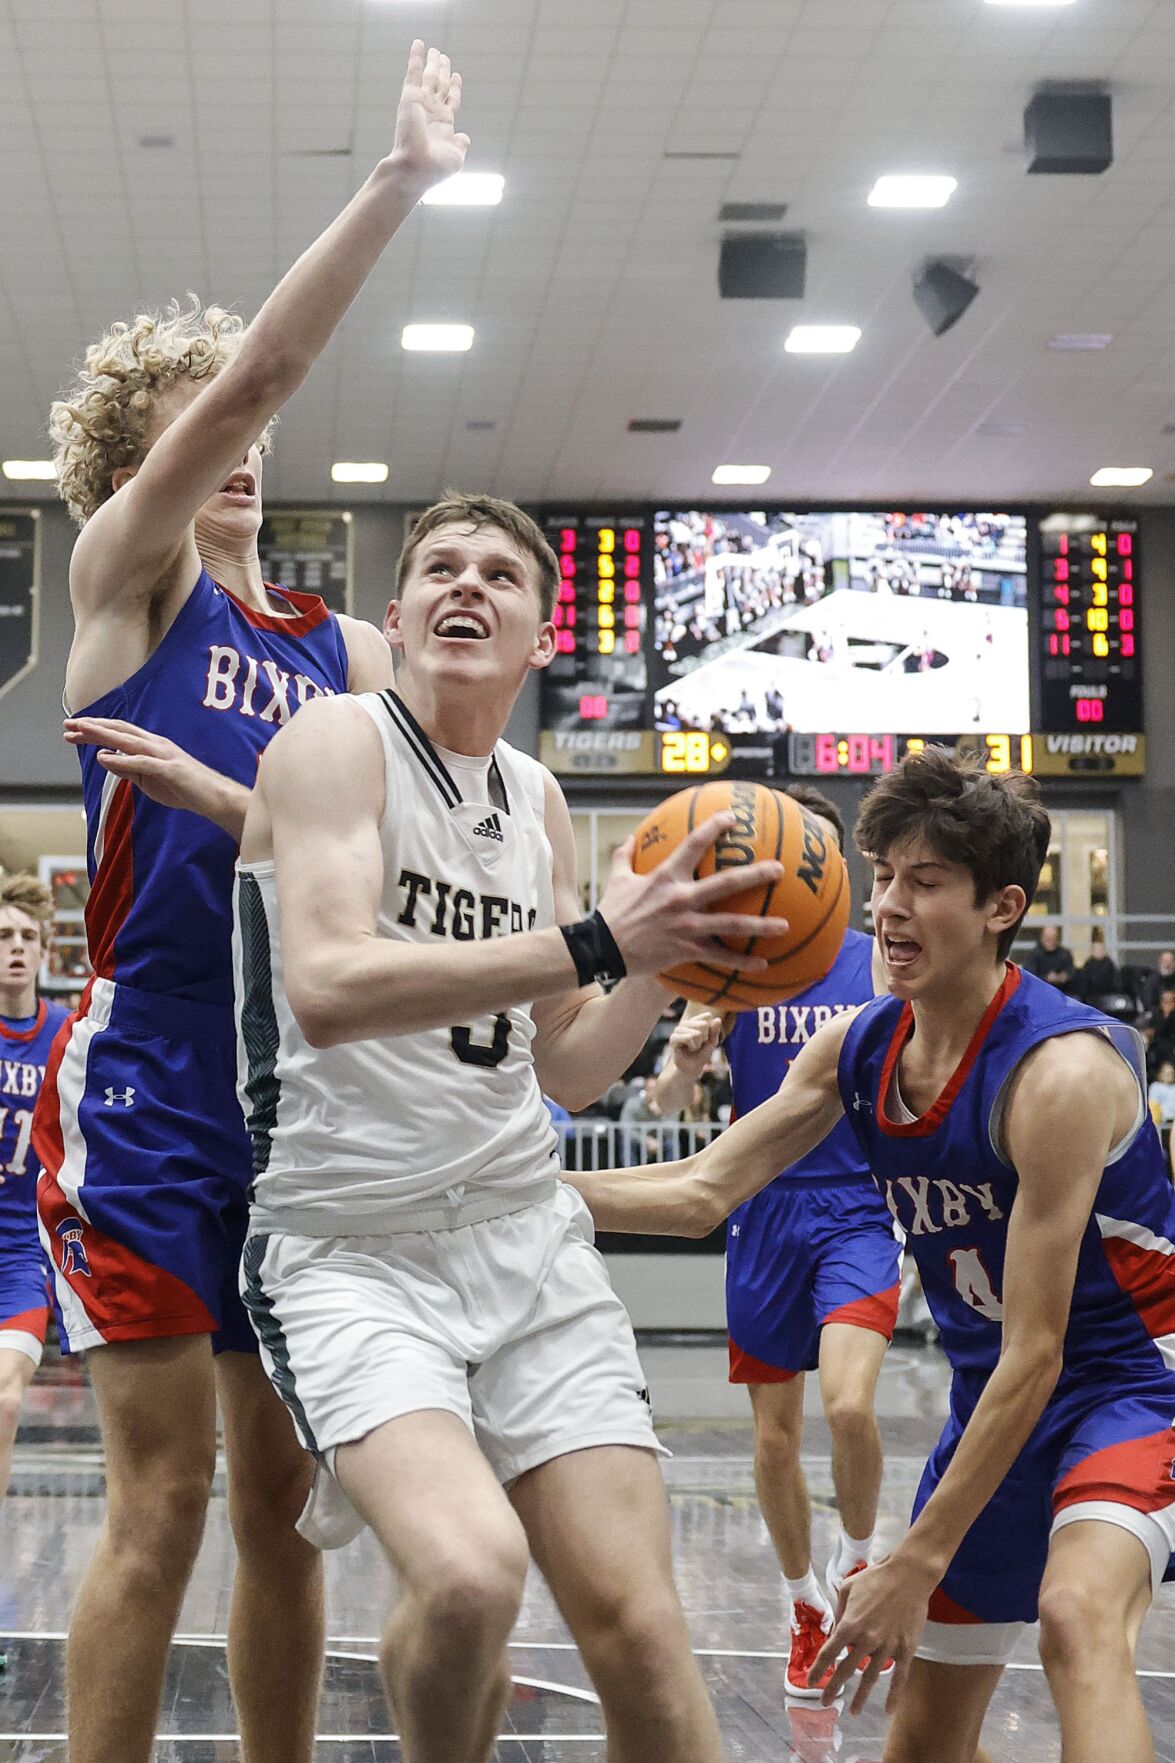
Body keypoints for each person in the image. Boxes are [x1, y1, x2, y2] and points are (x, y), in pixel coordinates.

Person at [30, 41, 466, 1763]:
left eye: (252, 427)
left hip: (296, 1102)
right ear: (146, 465)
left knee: (282, 1513)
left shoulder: (343, 657)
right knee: (160, 1502)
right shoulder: (127, 588)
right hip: (145, 1087)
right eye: (203, 425)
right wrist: (400, 176)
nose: (243, 441)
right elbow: (270, 355)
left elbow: (423, 868)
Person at [231, 489, 794, 1763]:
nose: (464, 585)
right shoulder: (334, 742)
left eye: (496, 572)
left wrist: (665, 959)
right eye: (439, 567)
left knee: (644, 1633)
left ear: (540, 634)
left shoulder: (535, 796)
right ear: (398, 614)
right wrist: (600, 936)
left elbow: (570, 1065)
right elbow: (324, 989)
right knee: (473, 1574)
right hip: (348, 1249)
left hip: (524, 1237)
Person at [570, 747, 1175, 1763]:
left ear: (1001, 906)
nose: (888, 905)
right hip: (992, 1402)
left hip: (1127, 1386)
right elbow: (699, 1189)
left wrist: (915, 1551)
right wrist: (502, 1190)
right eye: (882, 874)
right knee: (920, 1746)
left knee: (1075, 1616)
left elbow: (1038, 1348)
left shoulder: (1055, 1074)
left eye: (924, 881)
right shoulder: (858, 1043)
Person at [653, 784, 900, 1698]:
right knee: (772, 1439)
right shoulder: (739, 965)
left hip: (854, 1207)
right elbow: (662, 1106)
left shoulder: (879, 962)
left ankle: (857, 1563)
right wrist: (682, 1057)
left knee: (847, 1407)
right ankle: (801, 1604)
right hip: (760, 1207)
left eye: (826, 855)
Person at [0, 880, 70, 1542]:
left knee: (6, 1398)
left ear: (45, 949)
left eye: (26, 937)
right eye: (3, 937)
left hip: (21, 1254)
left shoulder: (63, 1034)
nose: (15, 948)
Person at [1023, 922, 1074, 992]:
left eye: (1053, 938)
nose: (1051, 941)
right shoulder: (1033, 954)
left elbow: (1071, 971)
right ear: (1042, 938)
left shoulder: (1065, 953)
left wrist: (1065, 976)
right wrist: (1046, 978)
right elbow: (1029, 977)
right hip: (1039, 991)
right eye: (1047, 939)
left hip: (1062, 991)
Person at [1075, 927, 1119, 1002]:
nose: (1099, 951)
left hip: (1107, 996)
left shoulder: (1109, 964)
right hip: (1091, 997)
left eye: (1101, 949)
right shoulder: (1088, 964)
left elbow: (1114, 982)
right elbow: (1084, 982)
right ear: (1092, 950)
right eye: (1096, 949)